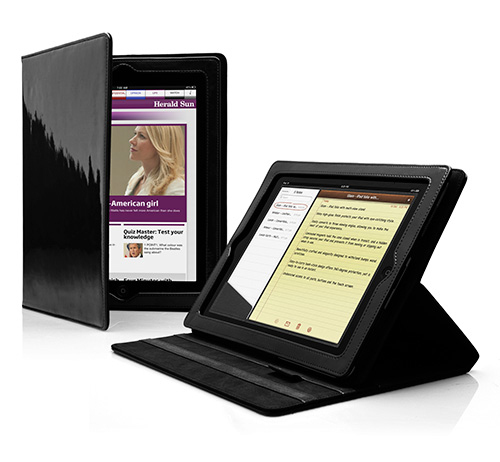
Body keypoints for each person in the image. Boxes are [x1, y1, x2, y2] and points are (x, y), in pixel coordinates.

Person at [125, 125, 185, 196]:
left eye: (142, 136)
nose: (131, 141)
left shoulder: (175, 187)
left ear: (160, 144)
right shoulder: (136, 178)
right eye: (135, 134)